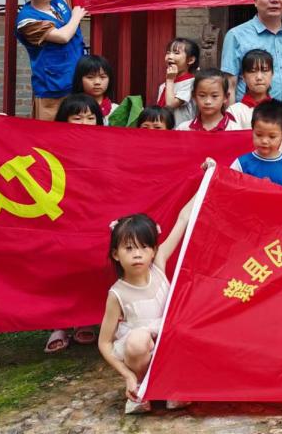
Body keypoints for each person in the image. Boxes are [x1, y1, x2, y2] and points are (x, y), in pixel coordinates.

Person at [99, 204, 197, 415]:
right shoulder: (117, 294)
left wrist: (205, 183)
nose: (137, 255)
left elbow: (183, 218)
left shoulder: (158, 267)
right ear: (116, 254)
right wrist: (128, 375)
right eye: (129, 248)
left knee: (186, 325)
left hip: (168, 344)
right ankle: (142, 387)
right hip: (140, 352)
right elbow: (104, 343)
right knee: (137, 341)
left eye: (144, 247)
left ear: (154, 251)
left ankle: (172, 384)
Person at [45, 93, 105, 353]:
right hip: (61, 216)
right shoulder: (52, 145)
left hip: (93, 215)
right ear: (64, 120)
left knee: (88, 266)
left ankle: (85, 319)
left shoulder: (107, 146)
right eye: (77, 118)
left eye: (91, 118)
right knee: (60, 269)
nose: (85, 123)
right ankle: (58, 325)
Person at [15, 0, 86, 121]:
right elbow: (63, 37)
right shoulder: (27, 19)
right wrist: (76, 16)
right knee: (49, 133)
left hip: (76, 81)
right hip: (52, 89)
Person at [225, 49, 282, 154]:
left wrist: (280, 161)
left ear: (272, 74)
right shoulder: (234, 112)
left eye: (265, 70)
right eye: (252, 71)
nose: (259, 77)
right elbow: (230, 147)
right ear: (243, 77)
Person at [230, 99, 282, 189]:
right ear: (252, 130)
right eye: (259, 135)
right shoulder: (241, 164)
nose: (264, 141)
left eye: (272, 136)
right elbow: (231, 188)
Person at [157, 37, 199, 129]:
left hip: (182, 131)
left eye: (176, 53)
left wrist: (170, 80)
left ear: (190, 60)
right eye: (168, 53)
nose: (170, 57)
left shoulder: (191, 82)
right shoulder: (163, 86)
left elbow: (170, 104)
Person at [72, 54, 116, 125]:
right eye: (90, 77)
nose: (97, 82)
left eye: (103, 77)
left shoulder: (116, 110)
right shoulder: (70, 108)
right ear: (79, 79)